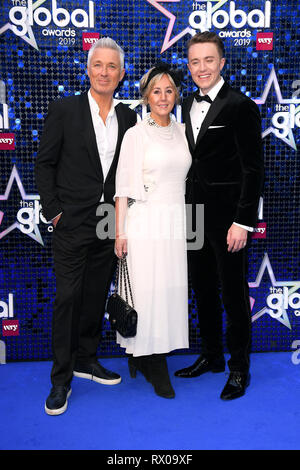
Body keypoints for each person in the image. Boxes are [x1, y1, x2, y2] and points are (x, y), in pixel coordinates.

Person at [35, 37, 139, 415]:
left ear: (122, 73)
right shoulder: (64, 109)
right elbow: (44, 163)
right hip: (71, 223)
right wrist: (54, 211)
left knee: (95, 296)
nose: (105, 72)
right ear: (88, 68)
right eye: (99, 65)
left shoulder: (129, 116)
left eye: (113, 66)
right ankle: (60, 379)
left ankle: (86, 359)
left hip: (108, 223)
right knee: (67, 300)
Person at [174, 32, 264, 400]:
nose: (201, 68)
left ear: (222, 62)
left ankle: (239, 368)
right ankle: (211, 356)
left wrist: (243, 221)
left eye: (208, 60)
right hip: (193, 215)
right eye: (194, 62)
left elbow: (253, 170)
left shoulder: (240, 106)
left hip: (229, 220)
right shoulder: (184, 104)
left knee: (233, 294)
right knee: (204, 290)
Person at [114, 64, 191, 398]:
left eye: (169, 90)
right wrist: (119, 233)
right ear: (146, 96)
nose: (163, 97)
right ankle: (151, 361)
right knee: (146, 292)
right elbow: (122, 189)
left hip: (175, 221)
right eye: (156, 91)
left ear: (176, 95)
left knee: (168, 291)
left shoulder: (183, 130)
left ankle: (144, 355)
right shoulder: (136, 133)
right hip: (144, 222)